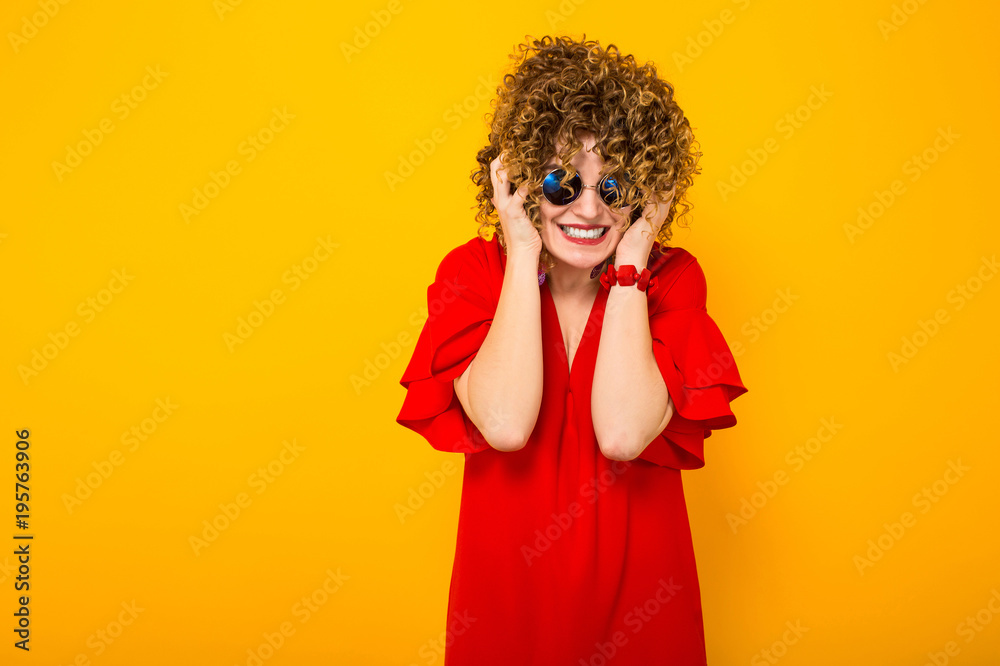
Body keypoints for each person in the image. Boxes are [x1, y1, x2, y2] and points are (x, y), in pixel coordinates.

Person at [396, 34, 748, 665]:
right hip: (507, 610)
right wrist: (523, 248)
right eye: (561, 181)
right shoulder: (473, 276)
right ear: (522, 179)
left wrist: (633, 262)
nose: (588, 207)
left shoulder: (670, 283)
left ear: (644, 187)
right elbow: (504, 425)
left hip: (642, 612)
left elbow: (621, 433)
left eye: (612, 185)